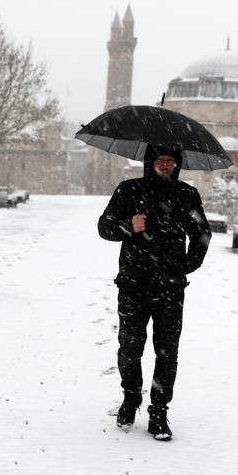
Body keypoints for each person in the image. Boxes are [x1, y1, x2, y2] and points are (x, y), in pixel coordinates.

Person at [97, 144, 212, 441]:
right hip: (133, 285)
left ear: (178, 164)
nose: (166, 165)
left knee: (167, 353)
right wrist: (128, 226)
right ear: (150, 161)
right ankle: (131, 397)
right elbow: (104, 227)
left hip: (170, 290)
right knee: (130, 348)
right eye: (161, 160)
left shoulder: (186, 195)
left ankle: (159, 412)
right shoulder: (129, 190)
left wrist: (185, 266)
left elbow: (201, 233)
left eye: (172, 161)